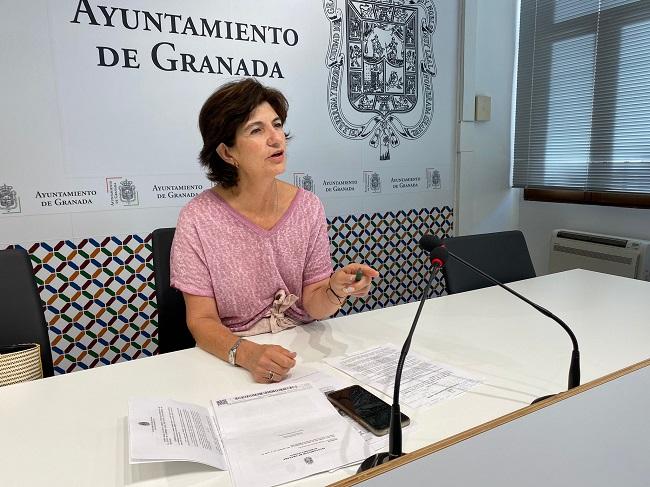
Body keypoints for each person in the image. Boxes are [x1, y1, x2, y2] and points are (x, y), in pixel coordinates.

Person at [170, 78, 379, 383]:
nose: (276, 139)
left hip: (304, 350)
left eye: (277, 125)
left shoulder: (308, 206)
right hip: (235, 354)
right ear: (228, 153)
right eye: (257, 130)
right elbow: (201, 321)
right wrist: (247, 353)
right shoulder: (198, 218)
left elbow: (314, 303)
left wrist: (335, 289)